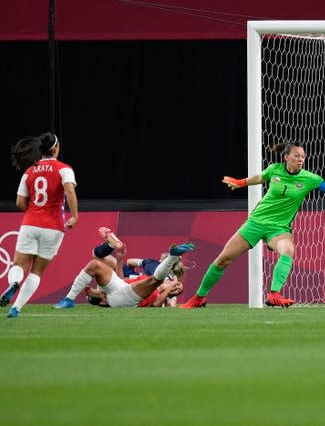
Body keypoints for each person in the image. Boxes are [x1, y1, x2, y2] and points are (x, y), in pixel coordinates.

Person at [180, 141, 325, 309]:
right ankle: (199, 298)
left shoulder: (310, 179)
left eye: (303, 156)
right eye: (297, 155)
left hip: (279, 229)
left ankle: (274, 295)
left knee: (288, 250)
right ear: (286, 157)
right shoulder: (275, 170)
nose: (300, 159)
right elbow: (260, 177)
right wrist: (241, 182)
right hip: (256, 222)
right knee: (223, 260)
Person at [1, 133, 78, 318]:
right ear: (55, 149)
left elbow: (20, 202)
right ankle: (15, 308)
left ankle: (15, 282)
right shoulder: (64, 169)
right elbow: (69, 189)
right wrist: (74, 215)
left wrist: (35, 209)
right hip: (54, 227)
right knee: (36, 272)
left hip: (31, 223)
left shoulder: (29, 171)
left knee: (19, 264)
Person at [53, 227, 188, 308]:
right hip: (119, 287)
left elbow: (158, 303)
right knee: (94, 264)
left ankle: (173, 255)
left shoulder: (159, 296)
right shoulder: (147, 274)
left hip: (125, 299)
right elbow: (121, 279)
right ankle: (68, 299)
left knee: (155, 280)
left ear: (171, 294)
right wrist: (120, 258)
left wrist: (170, 287)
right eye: (177, 285)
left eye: (175, 289)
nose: (174, 286)